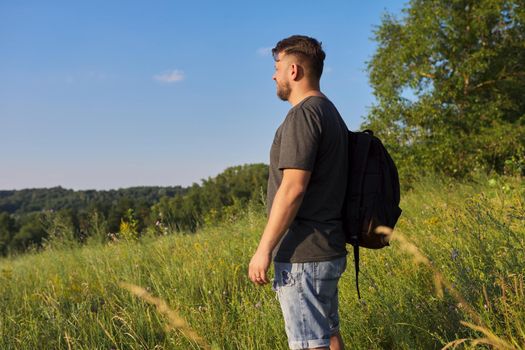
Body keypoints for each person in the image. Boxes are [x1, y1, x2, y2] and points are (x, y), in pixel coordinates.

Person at [248, 35, 349, 350]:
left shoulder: (303, 115)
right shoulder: (329, 112)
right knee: (328, 336)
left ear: (293, 71)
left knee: (309, 344)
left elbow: (292, 188)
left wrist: (264, 249)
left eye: (277, 67)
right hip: (326, 247)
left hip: (303, 255)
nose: (274, 75)